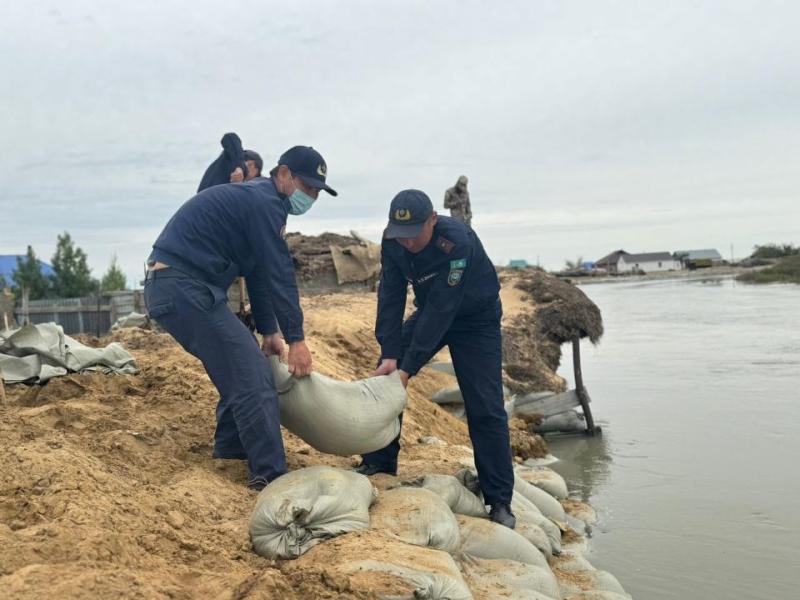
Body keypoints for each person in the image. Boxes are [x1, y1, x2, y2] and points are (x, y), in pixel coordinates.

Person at [145, 146, 337, 490]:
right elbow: (280, 274)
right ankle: (271, 477)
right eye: (307, 188)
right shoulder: (265, 204)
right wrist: (297, 340)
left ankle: (232, 451)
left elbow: (260, 274)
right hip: (183, 288)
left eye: (317, 192)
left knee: (243, 363)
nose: (311, 197)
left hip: (183, 288)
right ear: (283, 174)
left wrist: (269, 331)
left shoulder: (263, 202)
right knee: (252, 377)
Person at [358, 189, 516, 529]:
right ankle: (379, 461)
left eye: (415, 233)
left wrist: (409, 367)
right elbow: (391, 294)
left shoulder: (457, 241)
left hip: (476, 319)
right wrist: (390, 353)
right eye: (401, 235)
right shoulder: (393, 240)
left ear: (432, 219)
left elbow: (445, 308)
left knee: (485, 407)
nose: (408, 242)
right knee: (386, 376)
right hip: (431, 309)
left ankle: (499, 500)